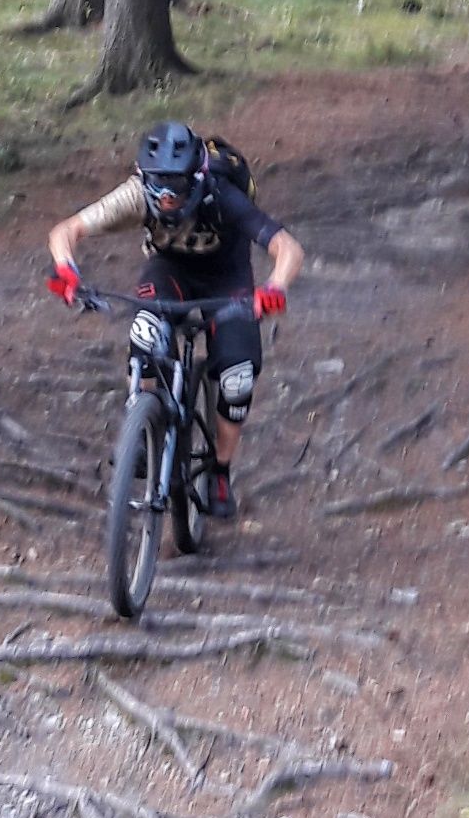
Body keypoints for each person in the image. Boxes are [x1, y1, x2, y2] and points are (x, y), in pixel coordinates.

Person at [47, 122, 303, 521]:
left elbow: (287, 248)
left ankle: (220, 471)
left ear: (196, 177)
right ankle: (143, 425)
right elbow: (66, 230)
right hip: (170, 270)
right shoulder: (136, 193)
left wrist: (274, 287)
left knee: (236, 377)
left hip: (227, 277)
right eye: (158, 184)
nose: (166, 196)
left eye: (177, 185)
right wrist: (67, 269)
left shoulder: (222, 195)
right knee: (145, 333)